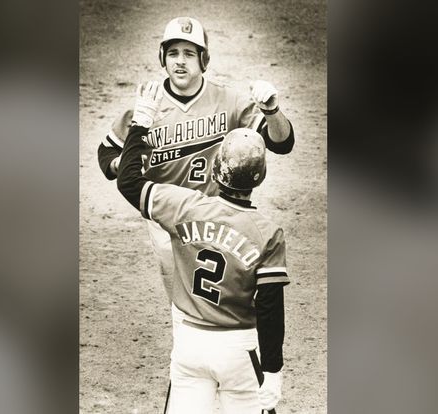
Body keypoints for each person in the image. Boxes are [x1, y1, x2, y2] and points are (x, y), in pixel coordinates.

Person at [116, 80, 288, 413]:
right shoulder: (267, 232)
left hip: (189, 346)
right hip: (239, 349)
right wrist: (273, 370)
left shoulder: (182, 206)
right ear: (260, 177)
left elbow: (128, 181)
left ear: (214, 169)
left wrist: (140, 124)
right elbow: (269, 307)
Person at [97, 16, 295, 301]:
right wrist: (125, 162)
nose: (180, 61)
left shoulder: (229, 101)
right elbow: (107, 152)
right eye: (173, 53)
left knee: (219, 294)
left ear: (204, 59)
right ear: (162, 58)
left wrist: (273, 111)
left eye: (189, 54)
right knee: (180, 298)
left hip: (217, 213)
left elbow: (282, 143)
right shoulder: (147, 106)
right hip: (164, 218)